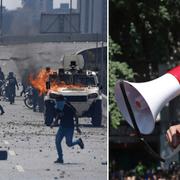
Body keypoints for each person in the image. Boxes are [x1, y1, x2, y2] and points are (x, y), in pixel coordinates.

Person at [50, 94, 84, 164]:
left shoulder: (68, 107)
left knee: (69, 143)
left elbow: (76, 116)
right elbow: (58, 115)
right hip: (62, 127)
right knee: (57, 141)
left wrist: (77, 127)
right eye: (56, 101)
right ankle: (60, 158)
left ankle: (78, 141)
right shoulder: (58, 107)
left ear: (62, 101)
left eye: (58, 101)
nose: (57, 103)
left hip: (70, 127)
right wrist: (54, 123)